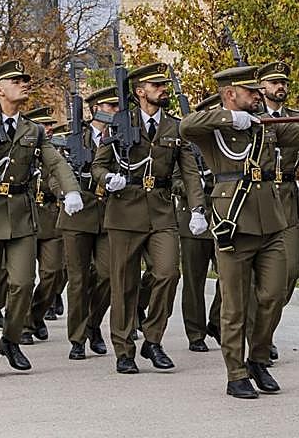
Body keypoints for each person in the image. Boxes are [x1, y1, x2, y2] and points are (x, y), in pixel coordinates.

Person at [0, 60, 83, 380]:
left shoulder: (32, 130)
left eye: (25, 79)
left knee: (23, 283)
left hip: (21, 217)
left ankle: (10, 339)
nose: (25, 83)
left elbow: (56, 163)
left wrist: (71, 191)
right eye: (17, 80)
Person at [179, 66, 299, 399]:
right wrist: (228, 118)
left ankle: (258, 357)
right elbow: (186, 126)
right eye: (251, 92)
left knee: (274, 293)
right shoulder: (215, 129)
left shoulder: (264, 125)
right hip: (233, 223)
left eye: (258, 91)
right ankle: (236, 372)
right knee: (235, 304)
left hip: (272, 220)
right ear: (230, 94)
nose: (258, 96)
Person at [92, 62, 206, 375]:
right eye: (156, 86)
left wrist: (197, 208)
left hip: (161, 212)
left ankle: (153, 339)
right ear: (140, 92)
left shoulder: (174, 126)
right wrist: (108, 180)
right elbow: (97, 166)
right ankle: (124, 349)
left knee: (169, 273)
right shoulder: (119, 124)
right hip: (124, 212)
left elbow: (189, 171)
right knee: (124, 285)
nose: (163, 90)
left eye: (164, 85)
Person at [257, 60, 299, 363]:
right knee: (259, 278)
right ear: (261, 87)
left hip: (288, 199)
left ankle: (265, 329)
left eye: (284, 82)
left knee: (289, 273)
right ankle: (258, 335)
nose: (281, 87)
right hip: (258, 199)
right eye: (275, 82)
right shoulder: (250, 117)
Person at [57, 86, 114, 360]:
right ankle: (77, 338)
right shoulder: (71, 138)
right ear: (95, 109)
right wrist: (66, 192)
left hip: (109, 213)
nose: (115, 111)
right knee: (78, 279)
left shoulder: (122, 137)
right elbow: (53, 172)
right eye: (110, 106)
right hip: (77, 214)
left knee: (108, 274)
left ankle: (93, 323)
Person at [177, 91, 223, 355]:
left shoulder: (226, 143)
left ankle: (216, 322)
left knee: (229, 279)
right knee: (194, 281)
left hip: (223, 217)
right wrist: (194, 188)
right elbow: (175, 178)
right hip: (194, 218)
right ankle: (195, 333)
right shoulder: (187, 144)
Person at [23, 106, 64, 344]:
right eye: (44, 125)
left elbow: (55, 178)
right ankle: (25, 323)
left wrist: (63, 194)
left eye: (49, 126)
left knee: (53, 273)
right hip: (26, 217)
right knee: (24, 277)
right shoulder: (22, 150)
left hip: (49, 218)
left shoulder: (54, 154)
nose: (48, 129)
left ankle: (37, 314)